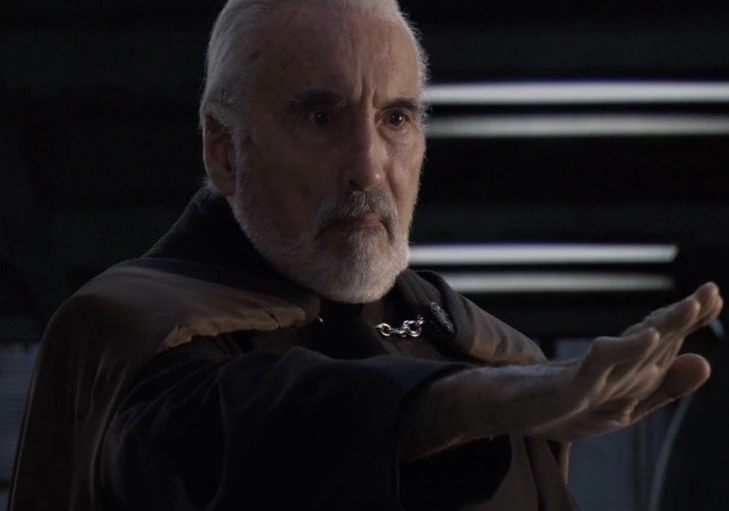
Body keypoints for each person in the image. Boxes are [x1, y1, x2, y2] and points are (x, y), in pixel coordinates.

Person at [9, 0, 724, 510]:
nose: (368, 165)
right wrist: (468, 403)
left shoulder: (487, 346)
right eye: (320, 117)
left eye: (396, 118)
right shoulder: (130, 327)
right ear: (225, 152)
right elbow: (226, 435)